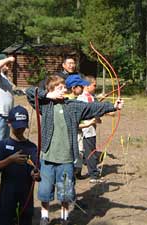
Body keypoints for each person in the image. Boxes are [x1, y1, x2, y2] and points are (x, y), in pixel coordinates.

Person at [25, 74, 124, 225]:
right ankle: (44, 217)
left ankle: (65, 218)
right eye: (59, 88)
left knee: (65, 193)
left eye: (64, 87)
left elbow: (92, 107)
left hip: (66, 158)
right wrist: (48, 95)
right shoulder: (45, 105)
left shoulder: (72, 106)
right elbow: (30, 92)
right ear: (50, 90)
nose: (63, 90)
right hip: (47, 157)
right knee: (45, 191)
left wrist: (113, 106)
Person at [0, 105, 40, 225]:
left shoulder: (32, 147)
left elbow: (36, 172)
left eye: (22, 127)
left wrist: (35, 174)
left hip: (26, 197)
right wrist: (10, 160)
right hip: (7, 196)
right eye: (17, 126)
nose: (20, 130)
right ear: (9, 123)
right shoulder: (2, 145)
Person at [77, 75, 104, 183]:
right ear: (87, 86)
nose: (95, 87)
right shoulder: (82, 99)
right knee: (90, 152)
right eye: (94, 85)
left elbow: (94, 109)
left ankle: (81, 171)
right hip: (86, 130)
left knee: (87, 151)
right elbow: (82, 115)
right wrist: (91, 121)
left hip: (90, 128)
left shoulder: (90, 97)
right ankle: (93, 175)